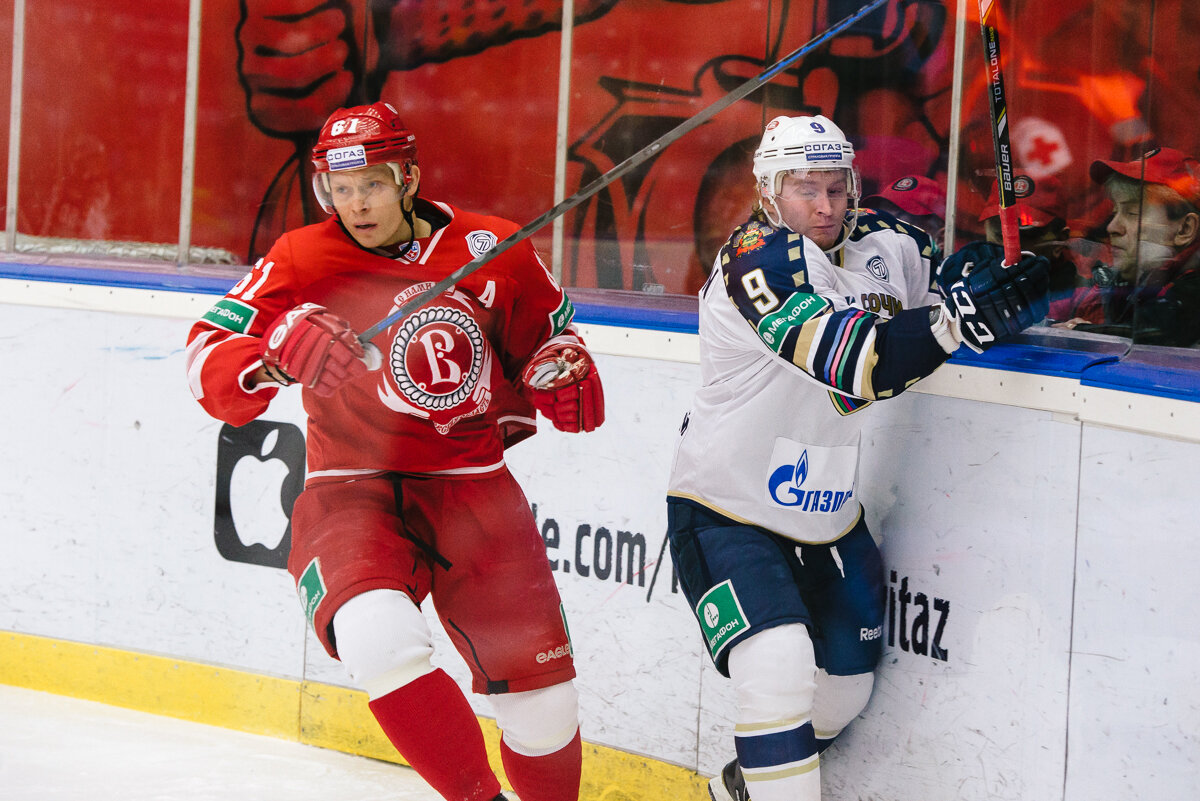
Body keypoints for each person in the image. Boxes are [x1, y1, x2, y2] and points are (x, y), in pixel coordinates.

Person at [185, 102, 605, 801]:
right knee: (377, 638)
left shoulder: (492, 246)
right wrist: (271, 362)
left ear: (408, 178)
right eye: (341, 189)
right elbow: (205, 353)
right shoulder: (300, 257)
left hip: (475, 489)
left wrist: (562, 366)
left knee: (545, 710)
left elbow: (551, 337)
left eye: (373, 185)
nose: (356, 205)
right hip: (352, 491)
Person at [664, 115, 1050, 801]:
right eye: (804, 189)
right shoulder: (754, 259)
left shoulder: (892, 244)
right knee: (777, 664)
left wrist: (1007, 278)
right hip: (725, 507)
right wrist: (953, 323)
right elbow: (855, 362)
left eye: (837, 188)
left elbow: (946, 304)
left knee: (843, 691)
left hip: (830, 513)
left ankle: (743, 786)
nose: (825, 206)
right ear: (767, 191)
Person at [1055, 147, 1200, 346]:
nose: (1112, 227)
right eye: (1115, 212)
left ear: (1185, 229)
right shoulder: (1126, 281)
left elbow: (1159, 331)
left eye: (1132, 213)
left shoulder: (1191, 289)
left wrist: (1083, 332)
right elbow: (1061, 305)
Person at [976, 172, 1100, 322]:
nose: (1006, 249)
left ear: (1059, 241)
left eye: (1023, 237)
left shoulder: (1083, 297)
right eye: (998, 234)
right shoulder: (966, 278)